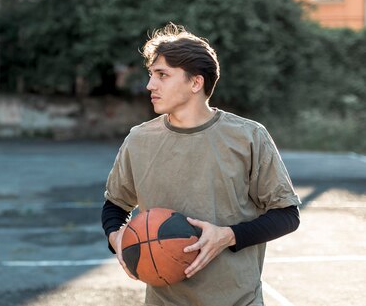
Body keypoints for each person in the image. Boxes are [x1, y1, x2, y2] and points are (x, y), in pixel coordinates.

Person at [101, 23, 300, 306]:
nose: (150, 85)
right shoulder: (139, 140)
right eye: (151, 75)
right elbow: (115, 205)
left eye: (162, 75)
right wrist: (117, 238)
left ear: (196, 83)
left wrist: (228, 236)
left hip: (237, 300)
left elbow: (287, 215)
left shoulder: (248, 136)